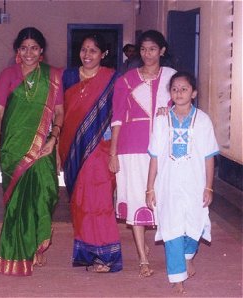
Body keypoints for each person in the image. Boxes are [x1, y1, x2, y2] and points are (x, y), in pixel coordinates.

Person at [0, 27, 64, 276]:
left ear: (41, 51)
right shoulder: (7, 74)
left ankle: (35, 245)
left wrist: (53, 138)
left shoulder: (53, 76)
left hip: (44, 145)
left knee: (44, 195)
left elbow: (60, 112)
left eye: (34, 47)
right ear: (17, 51)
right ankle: (24, 250)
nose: (29, 52)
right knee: (18, 203)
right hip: (13, 147)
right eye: (24, 48)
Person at [109, 30, 177, 277]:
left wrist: (168, 114)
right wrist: (113, 153)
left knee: (166, 200)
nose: (147, 54)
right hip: (131, 149)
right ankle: (142, 257)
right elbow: (117, 119)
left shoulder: (173, 79)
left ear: (162, 51)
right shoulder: (125, 81)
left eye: (152, 49)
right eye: (144, 49)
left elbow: (184, 109)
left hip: (165, 149)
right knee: (139, 198)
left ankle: (175, 254)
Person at [146, 71, 219, 294]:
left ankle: (188, 256)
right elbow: (155, 156)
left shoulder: (203, 120)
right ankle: (177, 277)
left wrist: (208, 186)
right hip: (167, 185)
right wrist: (150, 188)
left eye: (184, 89)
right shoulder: (161, 120)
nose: (179, 93)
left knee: (196, 225)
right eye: (175, 89)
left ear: (194, 93)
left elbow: (209, 157)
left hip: (195, 183)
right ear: (170, 93)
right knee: (171, 227)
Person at [59, 33, 122, 273]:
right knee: (80, 202)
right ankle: (87, 253)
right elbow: (59, 112)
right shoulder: (68, 77)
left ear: (103, 54)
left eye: (93, 50)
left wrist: (115, 151)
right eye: (84, 50)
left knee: (101, 203)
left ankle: (106, 256)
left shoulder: (113, 79)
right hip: (72, 149)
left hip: (101, 149)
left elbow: (118, 117)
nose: (87, 55)